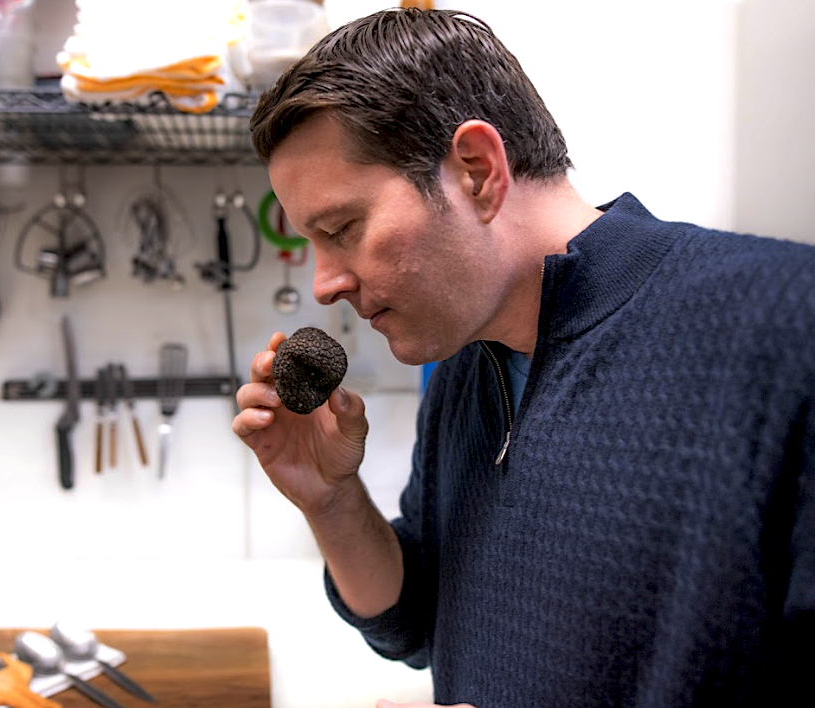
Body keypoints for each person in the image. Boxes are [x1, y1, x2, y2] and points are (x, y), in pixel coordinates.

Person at [231, 8, 815, 708]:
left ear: (476, 172)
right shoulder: (462, 366)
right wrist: (329, 499)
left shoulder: (788, 324)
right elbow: (417, 624)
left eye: (342, 228)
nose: (324, 283)